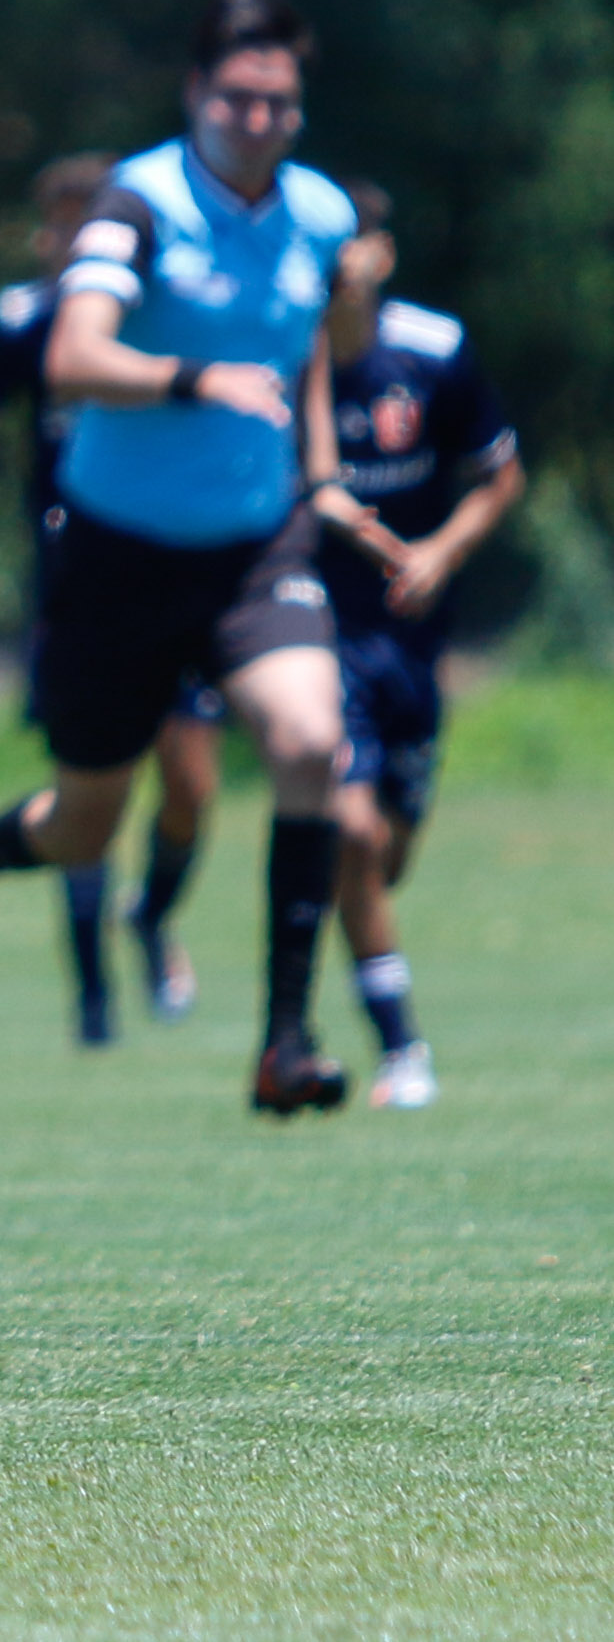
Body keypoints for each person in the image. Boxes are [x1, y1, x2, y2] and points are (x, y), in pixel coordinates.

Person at [0, 0, 366, 1116]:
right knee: (82, 826)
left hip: (252, 550)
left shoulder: (319, 216)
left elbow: (311, 345)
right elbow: (70, 357)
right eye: (238, 100)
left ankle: (285, 1045)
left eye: (279, 104)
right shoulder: (135, 206)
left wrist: (320, 471)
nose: (258, 123)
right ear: (196, 95)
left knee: (309, 744)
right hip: (116, 552)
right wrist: (191, 379)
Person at [0, 155, 204, 1043]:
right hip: (78, 582)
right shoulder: (26, 322)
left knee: (190, 787)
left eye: (79, 222)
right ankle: (93, 996)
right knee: (91, 789)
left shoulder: (166, 313)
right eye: (53, 223)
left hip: (180, 566)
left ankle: (154, 915)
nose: (64, 240)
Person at [312, 180, 525, 1108]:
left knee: (382, 855)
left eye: (353, 243)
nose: (340, 261)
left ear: (382, 255)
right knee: (352, 834)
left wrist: (441, 550)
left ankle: (342, 919)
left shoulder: (433, 350)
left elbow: (501, 474)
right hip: (315, 629)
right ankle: (404, 1050)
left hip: (412, 639)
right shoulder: (287, 358)